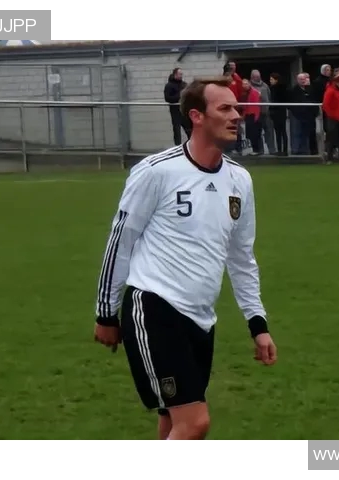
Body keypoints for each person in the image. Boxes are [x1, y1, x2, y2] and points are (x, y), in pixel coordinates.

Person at [93, 76, 277, 440]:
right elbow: (120, 241)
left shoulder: (240, 180)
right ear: (197, 116)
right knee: (194, 423)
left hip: (201, 320)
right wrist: (106, 312)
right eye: (225, 108)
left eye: (236, 107)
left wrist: (257, 324)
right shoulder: (157, 171)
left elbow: (242, 257)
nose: (236, 115)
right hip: (154, 307)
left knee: (173, 422)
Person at [163, 68, 191, 145]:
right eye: (180, 74)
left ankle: (191, 146)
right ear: (175, 74)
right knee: (177, 131)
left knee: (189, 130)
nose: (181, 76)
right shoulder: (169, 85)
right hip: (175, 112)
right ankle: (177, 147)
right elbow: (167, 98)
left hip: (184, 111)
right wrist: (180, 96)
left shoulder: (184, 84)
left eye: (182, 74)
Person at [241, 79, 262, 155]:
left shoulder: (254, 92)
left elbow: (257, 106)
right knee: (249, 134)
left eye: (246, 84)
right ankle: (253, 149)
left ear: (249, 84)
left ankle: (257, 150)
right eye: (243, 84)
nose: (245, 85)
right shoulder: (244, 93)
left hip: (253, 115)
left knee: (255, 134)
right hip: (248, 115)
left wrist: (256, 116)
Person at [269, 72, 289, 155]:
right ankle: (282, 150)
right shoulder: (279, 88)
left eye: (271, 79)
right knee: (281, 132)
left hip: (278, 112)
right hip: (280, 112)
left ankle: (283, 150)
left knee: (280, 132)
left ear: (276, 80)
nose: (270, 81)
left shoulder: (276, 89)